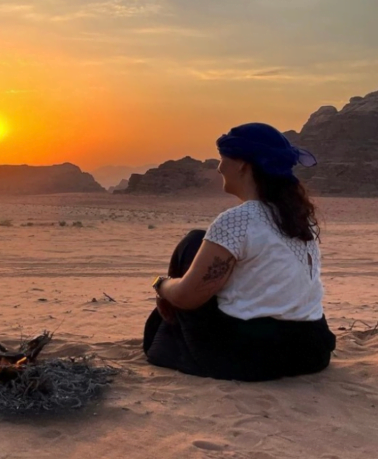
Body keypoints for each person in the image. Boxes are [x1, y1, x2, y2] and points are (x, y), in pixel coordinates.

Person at [143, 123, 336, 381]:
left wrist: (161, 286)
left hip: (256, 358)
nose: (219, 167)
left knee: (192, 243)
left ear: (243, 164)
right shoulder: (300, 218)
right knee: (199, 243)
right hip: (312, 351)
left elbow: (188, 297)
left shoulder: (238, 220)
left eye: (223, 158)